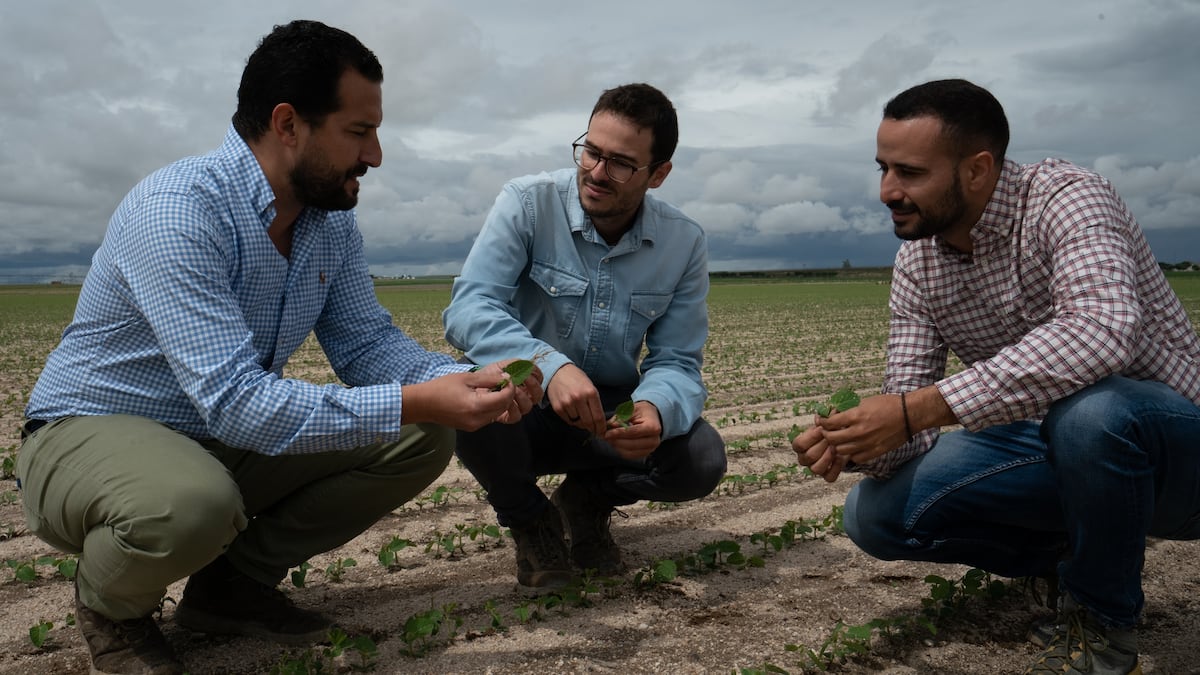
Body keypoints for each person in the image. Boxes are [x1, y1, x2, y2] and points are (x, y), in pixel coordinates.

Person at [16, 20, 542, 675]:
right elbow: (238, 401)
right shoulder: (180, 211)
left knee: (421, 433)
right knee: (191, 503)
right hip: (87, 431)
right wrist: (417, 396)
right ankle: (112, 610)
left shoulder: (328, 225)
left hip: (208, 432)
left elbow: (366, 342)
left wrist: (463, 379)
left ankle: (230, 589)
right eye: (358, 132)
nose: (375, 156)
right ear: (287, 123)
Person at [792, 78, 1200, 674]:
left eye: (909, 172)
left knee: (1092, 414)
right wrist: (856, 441)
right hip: (1053, 454)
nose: (887, 191)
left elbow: (1102, 331)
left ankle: (1103, 631)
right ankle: (1065, 559)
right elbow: (910, 406)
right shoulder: (918, 264)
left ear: (978, 169)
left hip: (1175, 458)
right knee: (874, 515)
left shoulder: (1067, 199)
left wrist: (915, 409)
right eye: (882, 168)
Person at [443, 83, 726, 590]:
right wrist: (551, 367)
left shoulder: (683, 242)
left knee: (699, 460)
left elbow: (679, 359)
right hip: (525, 400)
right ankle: (532, 522)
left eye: (621, 163)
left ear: (658, 174)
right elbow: (469, 307)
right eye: (591, 151)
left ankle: (586, 501)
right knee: (473, 400)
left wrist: (656, 410)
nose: (596, 173)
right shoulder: (527, 204)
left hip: (609, 413)